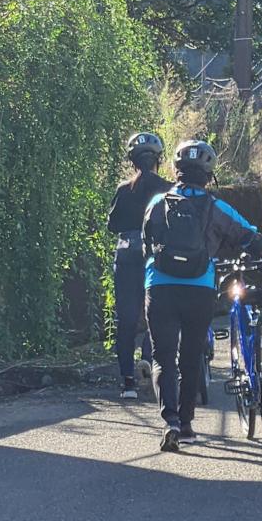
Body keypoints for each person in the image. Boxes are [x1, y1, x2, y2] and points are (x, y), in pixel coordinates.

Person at [143, 139, 262, 452]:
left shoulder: (156, 203)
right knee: (190, 357)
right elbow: (249, 237)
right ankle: (188, 424)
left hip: (160, 287)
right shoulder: (216, 207)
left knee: (162, 357)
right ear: (208, 173)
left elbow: (145, 242)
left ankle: (171, 423)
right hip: (199, 288)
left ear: (176, 170)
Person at [107, 132, 172, 399]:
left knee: (127, 318)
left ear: (132, 161)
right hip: (155, 257)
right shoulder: (168, 189)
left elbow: (112, 225)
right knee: (156, 315)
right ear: (159, 159)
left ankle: (127, 382)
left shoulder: (124, 190)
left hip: (126, 257)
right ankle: (149, 363)